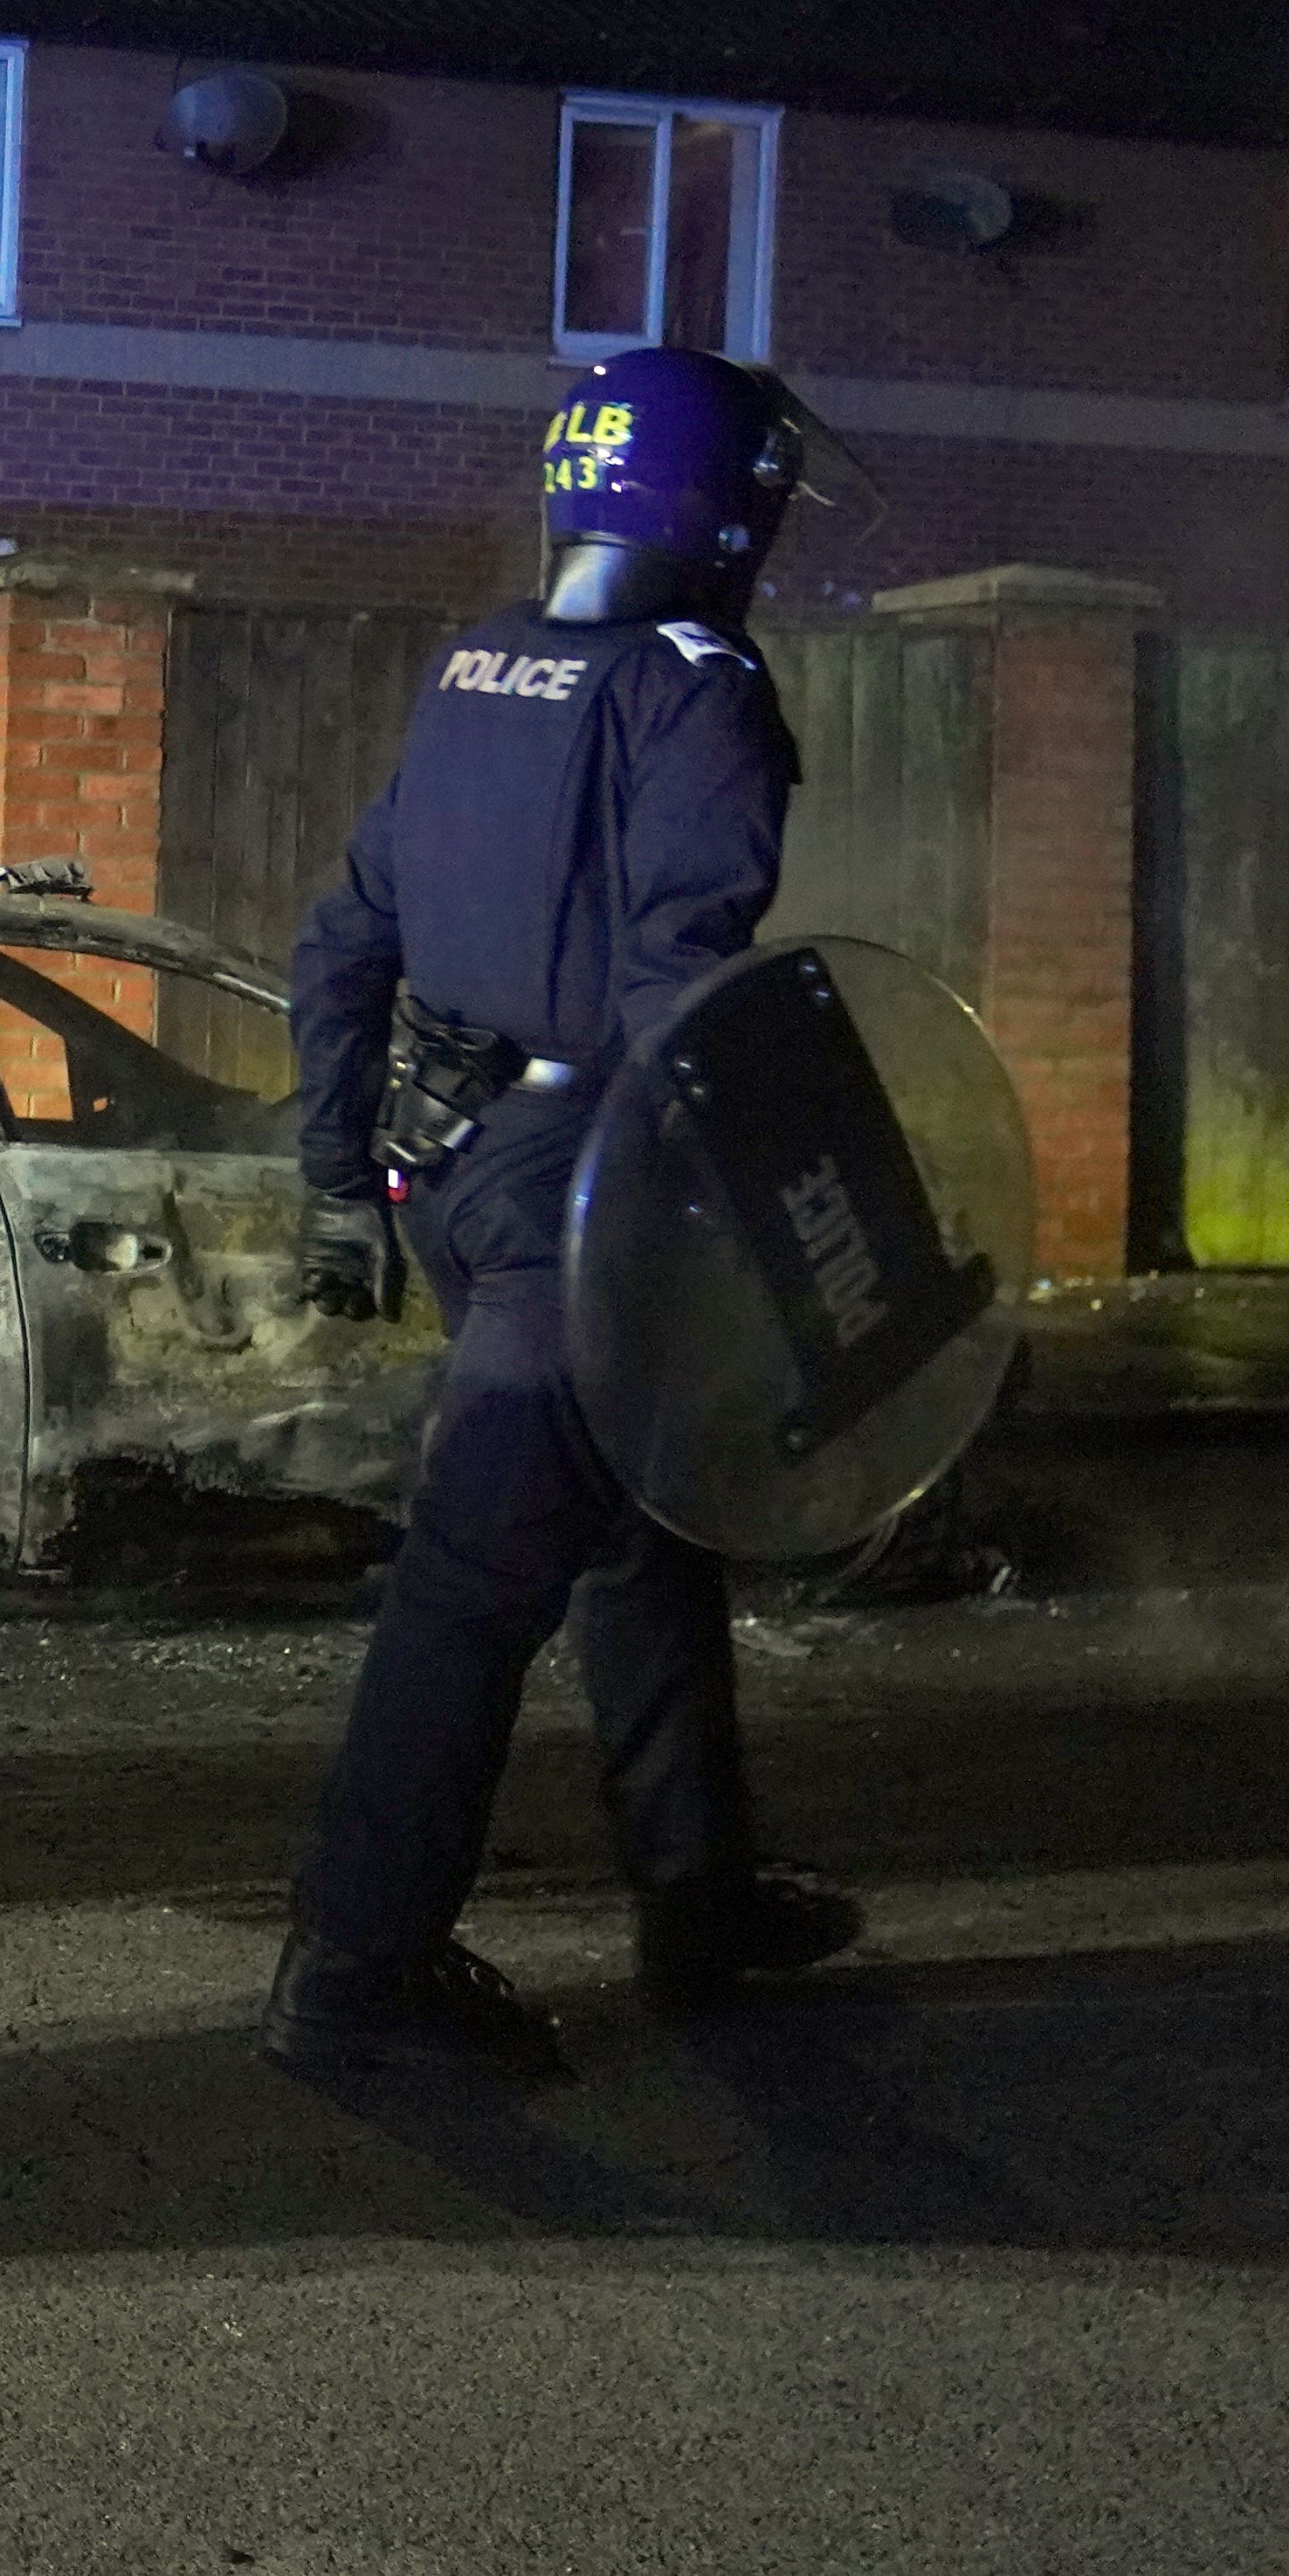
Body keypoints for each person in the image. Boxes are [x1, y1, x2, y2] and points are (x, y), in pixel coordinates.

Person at [265, 346, 865, 2081]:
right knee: (473, 1581)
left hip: (445, 1167)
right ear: (722, 503)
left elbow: (342, 936)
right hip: (580, 1191)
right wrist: (790, 1234)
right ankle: (358, 1964)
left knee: (642, 1521)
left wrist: (332, 1173)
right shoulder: (698, 685)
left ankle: (698, 1892)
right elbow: (690, 993)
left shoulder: (476, 668)